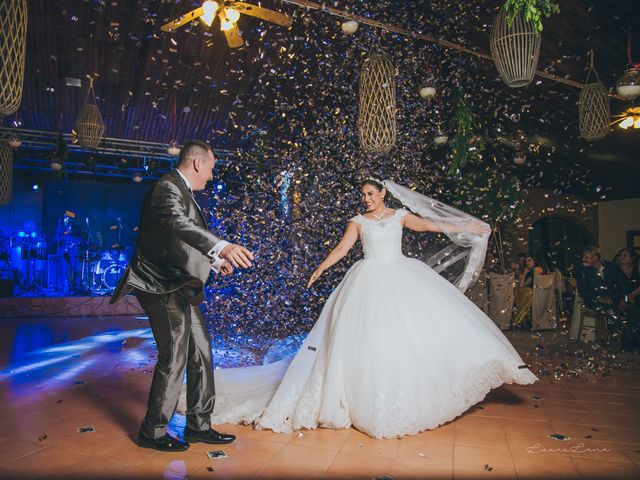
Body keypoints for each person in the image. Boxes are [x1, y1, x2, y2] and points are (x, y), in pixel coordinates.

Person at [205, 177, 537, 439]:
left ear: (382, 194)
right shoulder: (358, 222)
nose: (366, 198)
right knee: (369, 337)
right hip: (366, 280)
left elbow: (432, 226)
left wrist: (465, 227)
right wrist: (320, 268)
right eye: (363, 194)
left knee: (411, 333)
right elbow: (342, 249)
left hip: (401, 277)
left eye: (370, 193)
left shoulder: (400, 216)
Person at [111, 140, 254, 452]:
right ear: (198, 164)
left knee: (201, 351)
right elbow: (178, 223)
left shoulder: (182, 190)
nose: (212, 176)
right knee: (174, 354)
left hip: (178, 285)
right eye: (212, 168)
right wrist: (222, 246)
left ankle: (199, 426)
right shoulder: (167, 187)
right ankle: (153, 431)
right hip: (159, 285)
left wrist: (216, 261)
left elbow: (180, 238)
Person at [514, 254, 548, 327]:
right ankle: (523, 319)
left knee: (526, 293)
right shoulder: (530, 270)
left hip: (538, 292)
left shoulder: (537, 269)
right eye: (526, 261)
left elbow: (523, 284)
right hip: (533, 291)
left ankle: (519, 319)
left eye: (529, 260)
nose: (527, 263)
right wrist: (525, 271)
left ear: (535, 261)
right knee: (518, 291)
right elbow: (522, 284)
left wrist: (525, 272)